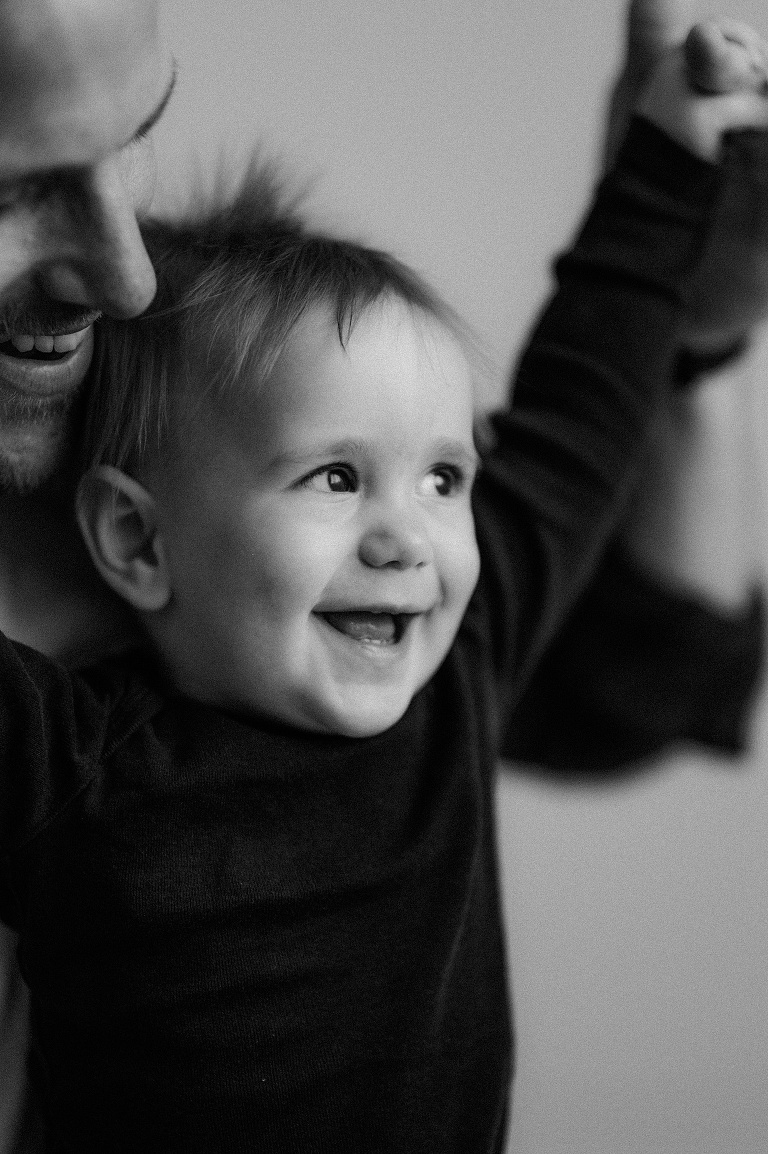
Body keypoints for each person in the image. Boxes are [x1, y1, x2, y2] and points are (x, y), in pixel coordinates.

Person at [0, 0, 765, 1147]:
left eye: (447, 478)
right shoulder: (69, 767)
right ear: (141, 543)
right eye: (334, 478)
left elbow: (579, 417)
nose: (409, 535)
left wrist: (665, 172)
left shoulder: (457, 669)